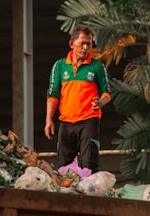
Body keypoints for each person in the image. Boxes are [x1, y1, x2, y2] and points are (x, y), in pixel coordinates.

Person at [44, 24, 111, 174]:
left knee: (89, 163)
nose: (86, 47)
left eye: (89, 44)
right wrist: (49, 120)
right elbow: (53, 94)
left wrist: (101, 102)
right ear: (72, 43)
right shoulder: (59, 66)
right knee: (63, 166)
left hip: (89, 120)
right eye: (82, 43)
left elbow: (107, 93)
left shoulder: (97, 66)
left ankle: (90, 193)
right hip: (66, 122)